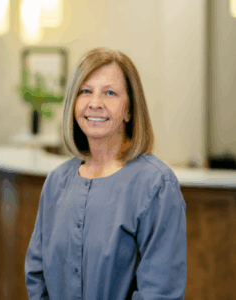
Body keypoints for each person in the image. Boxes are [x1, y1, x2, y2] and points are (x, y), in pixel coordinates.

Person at [25, 47, 187, 300]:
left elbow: (159, 292)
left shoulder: (157, 185)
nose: (95, 103)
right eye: (85, 91)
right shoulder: (57, 181)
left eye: (110, 93)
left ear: (130, 110)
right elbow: (36, 274)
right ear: (73, 102)